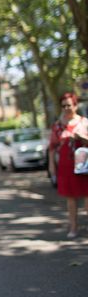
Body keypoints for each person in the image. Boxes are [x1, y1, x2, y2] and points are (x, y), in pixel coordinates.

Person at [49, 92, 88, 238]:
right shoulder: (58, 126)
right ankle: (73, 227)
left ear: (75, 105)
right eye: (63, 106)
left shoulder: (84, 122)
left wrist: (81, 137)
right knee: (70, 199)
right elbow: (52, 147)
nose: (66, 108)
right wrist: (52, 165)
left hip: (83, 164)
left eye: (69, 105)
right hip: (66, 165)